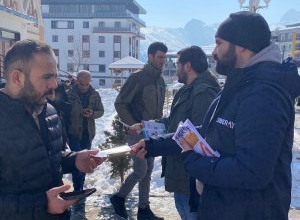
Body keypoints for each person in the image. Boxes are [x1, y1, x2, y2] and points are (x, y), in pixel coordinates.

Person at [131, 11, 300, 220]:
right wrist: (155, 145)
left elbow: (252, 171)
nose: (215, 52)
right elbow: (210, 131)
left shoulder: (264, 94)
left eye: (219, 43)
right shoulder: (240, 83)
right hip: (223, 207)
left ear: (242, 45)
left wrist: (195, 163)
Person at [0, 39, 104, 220]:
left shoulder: (49, 110)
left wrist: (75, 160)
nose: (55, 85)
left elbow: (47, 158)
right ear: (17, 78)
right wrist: (42, 204)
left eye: (55, 76)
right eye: (47, 77)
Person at [129, 46, 220, 220]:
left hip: (191, 180)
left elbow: (198, 137)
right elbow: (174, 123)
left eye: (177, 64)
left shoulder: (203, 92)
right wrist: (146, 125)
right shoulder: (187, 89)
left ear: (187, 66)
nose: (174, 68)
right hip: (181, 172)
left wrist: (154, 146)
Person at [112, 42, 168, 220]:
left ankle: (144, 209)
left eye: (164, 57)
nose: (163, 61)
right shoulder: (138, 78)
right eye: (160, 57)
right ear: (150, 57)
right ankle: (118, 197)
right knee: (141, 170)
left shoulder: (160, 80)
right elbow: (120, 103)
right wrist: (132, 124)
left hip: (153, 132)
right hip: (137, 133)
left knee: (148, 171)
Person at [67, 70, 104, 191]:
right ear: (77, 81)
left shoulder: (95, 94)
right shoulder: (69, 94)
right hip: (73, 132)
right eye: (82, 84)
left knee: (85, 160)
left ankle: (80, 187)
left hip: (88, 133)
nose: (84, 87)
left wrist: (92, 113)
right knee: (77, 159)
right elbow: (63, 113)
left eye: (87, 84)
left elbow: (101, 111)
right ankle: (78, 189)